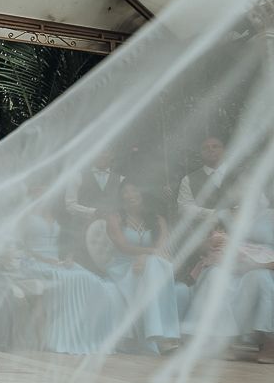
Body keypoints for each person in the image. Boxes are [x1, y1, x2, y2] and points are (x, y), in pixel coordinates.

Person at [17, 181, 118, 354]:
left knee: (90, 279)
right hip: (32, 261)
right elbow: (20, 243)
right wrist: (42, 258)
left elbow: (66, 242)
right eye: (40, 190)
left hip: (57, 261)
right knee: (62, 277)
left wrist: (68, 258)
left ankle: (85, 337)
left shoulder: (56, 214)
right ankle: (57, 338)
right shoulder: (26, 214)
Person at [182, 179, 274, 363]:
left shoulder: (270, 215)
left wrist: (260, 263)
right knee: (217, 276)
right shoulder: (220, 215)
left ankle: (270, 345)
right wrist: (209, 242)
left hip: (262, 264)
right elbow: (196, 242)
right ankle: (222, 343)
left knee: (261, 277)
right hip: (228, 265)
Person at [105, 179, 189, 354]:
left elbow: (161, 249)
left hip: (148, 266)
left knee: (155, 262)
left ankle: (157, 333)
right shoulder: (115, 218)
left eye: (134, 189)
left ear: (143, 193)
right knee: (155, 261)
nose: (130, 194)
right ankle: (161, 335)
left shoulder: (158, 219)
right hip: (122, 268)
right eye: (126, 191)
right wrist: (148, 253)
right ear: (121, 196)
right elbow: (123, 247)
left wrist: (145, 255)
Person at [177, 135, 227, 224]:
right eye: (205, 148)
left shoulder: (241, 174)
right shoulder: (188, 180)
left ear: (224, 150)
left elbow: (257, 200)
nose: (210, 150)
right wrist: (212, 213)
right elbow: (184, 208)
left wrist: (232, 212)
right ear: (200, 153)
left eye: (215, 146)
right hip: (206, 233)